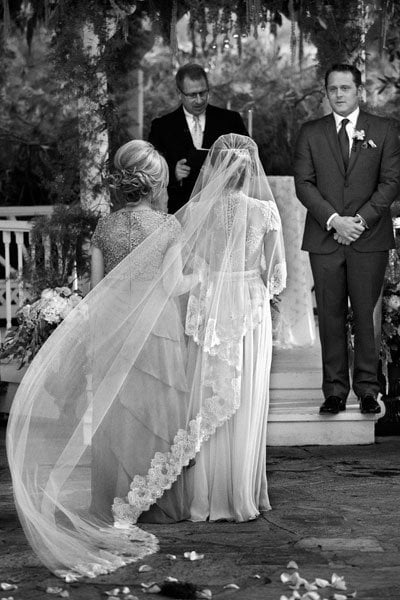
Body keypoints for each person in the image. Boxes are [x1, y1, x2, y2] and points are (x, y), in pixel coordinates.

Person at [6, 134, 285, 580]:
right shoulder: (166, 227)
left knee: (115, 414)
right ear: (154, 183)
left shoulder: (104, 228)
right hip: (156, 333)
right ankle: (154, 506)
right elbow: (173, 285)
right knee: (156, 413)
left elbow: (95, 291)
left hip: (111, 330)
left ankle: (108, 500)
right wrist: (201, 277)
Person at [294, 63, 400, 416]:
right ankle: (335, 391)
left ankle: (369, 390)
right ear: (326, 92)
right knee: (330, 314)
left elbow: (391, 183)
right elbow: (304, 184)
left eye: (345, 88)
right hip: (325, 239)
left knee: (368, 317)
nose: (338, 94)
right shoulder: (310, 132)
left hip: (368, 238)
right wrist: (334, 221)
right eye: (332, 89)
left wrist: (360, 221)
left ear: (359, 91)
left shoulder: (384, 130)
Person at [148, 63, 248, 213]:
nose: (199, 100)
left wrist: (225, 169)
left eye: (203, 93)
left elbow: (249, 160)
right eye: (192, 95)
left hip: (223, 211)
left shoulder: (230, 120)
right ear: (179, 93)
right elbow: (150, 171)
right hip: (181, 212)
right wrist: (173, 173)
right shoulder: (162, 127)